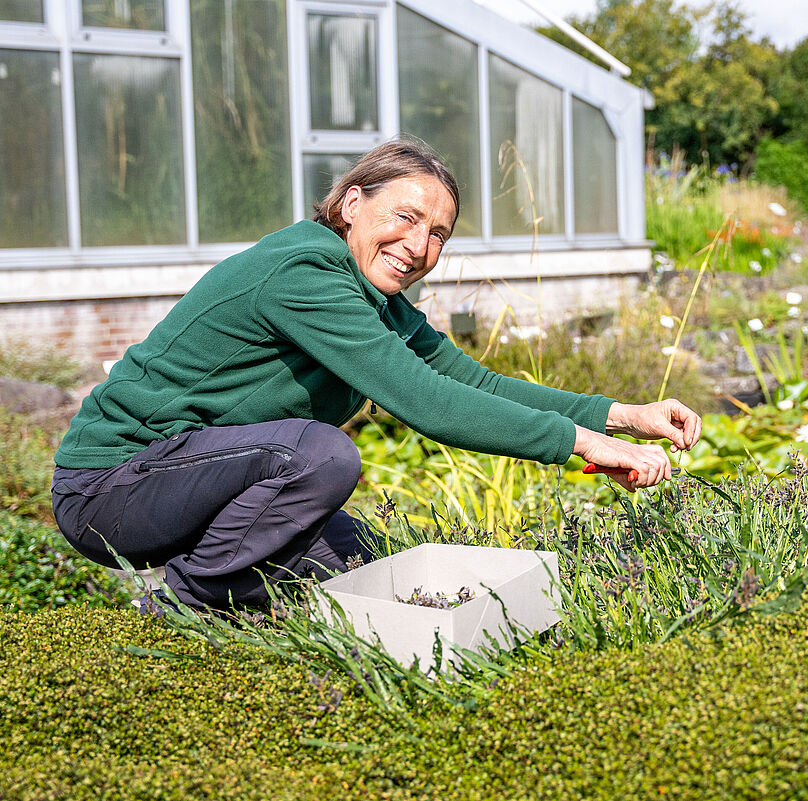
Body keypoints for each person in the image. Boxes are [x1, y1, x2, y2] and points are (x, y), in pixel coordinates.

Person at [51, 136, 702, 610]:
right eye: (407, 218)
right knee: (322, 455)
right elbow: (428, 402)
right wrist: (583, 445)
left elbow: (472, 384)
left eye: (440, 234)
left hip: (190, 480)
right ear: (353, 203)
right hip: (108, 489)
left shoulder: (380, 302)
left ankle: (240, 602)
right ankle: (184, 605)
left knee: (368, 566)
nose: (420, 247)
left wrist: (624, 414)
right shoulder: (305, 272)